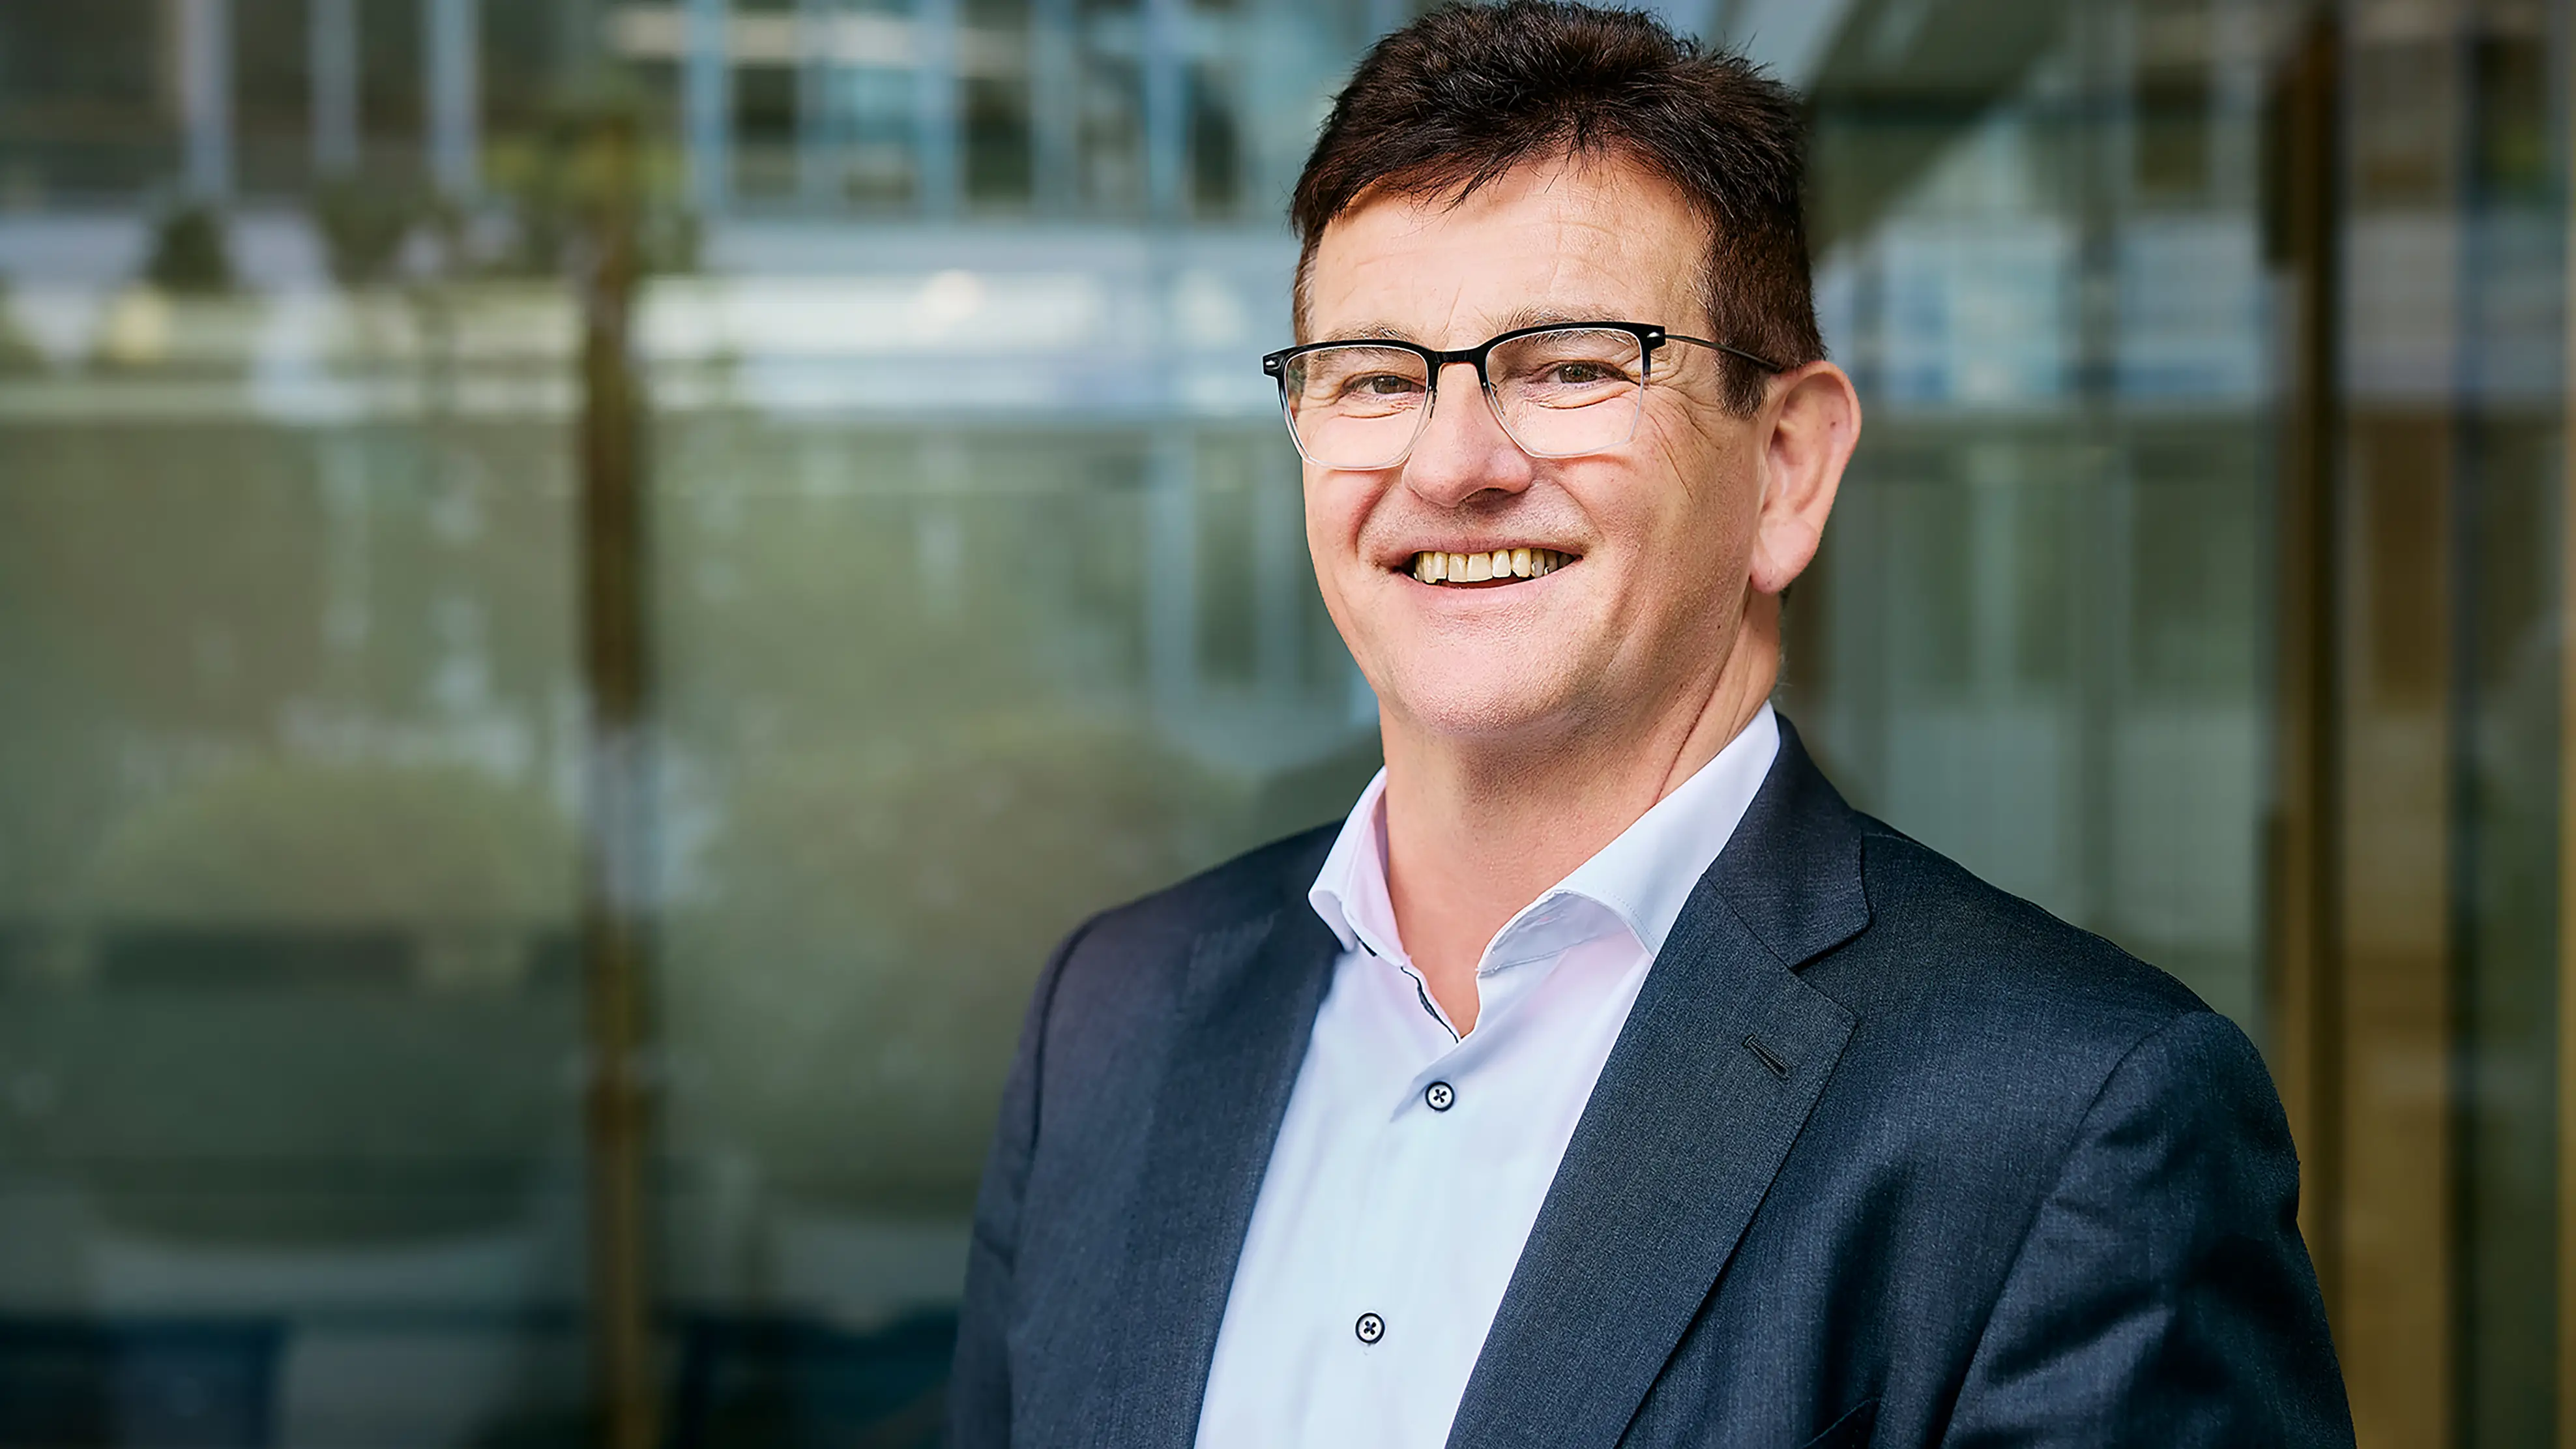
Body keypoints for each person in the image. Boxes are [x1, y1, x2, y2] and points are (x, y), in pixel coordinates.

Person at [948, 3, 2354, 1444]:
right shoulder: (1113, 1014)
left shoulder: (2073, 1122)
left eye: (1570, 365)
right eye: (1374, 376)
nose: (1452, 464)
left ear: (1786, 467)